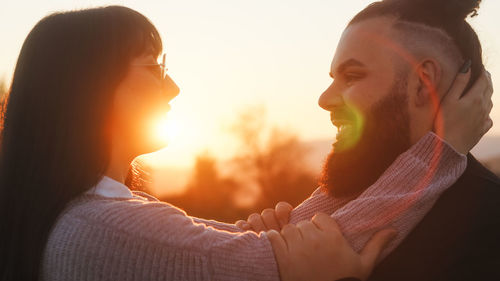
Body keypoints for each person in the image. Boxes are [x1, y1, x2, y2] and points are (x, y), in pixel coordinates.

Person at [0, 4, 492, 281]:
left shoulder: (91, 215)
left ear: (424, 82)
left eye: (352, 75)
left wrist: (289, 231)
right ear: (89, 88)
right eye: (155, 70)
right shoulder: (107, 228)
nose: (173, 88)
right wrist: (442, 149)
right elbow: (334, 245)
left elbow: (260, 249)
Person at [238, 0, 500, 280]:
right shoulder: (337, 208)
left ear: (422, 84)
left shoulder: (488, 225)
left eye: (352, 76)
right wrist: (268, 252)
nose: (324, 99)